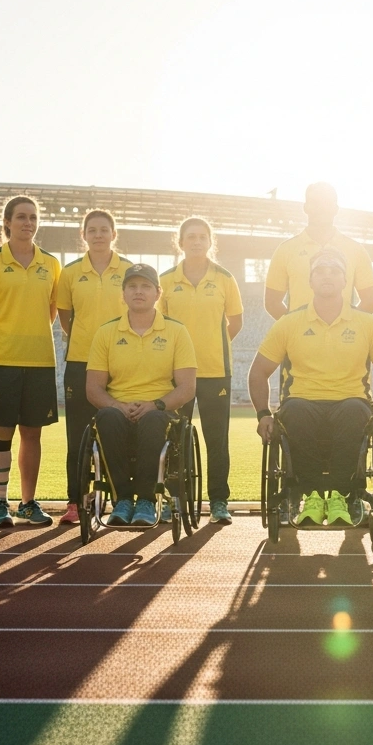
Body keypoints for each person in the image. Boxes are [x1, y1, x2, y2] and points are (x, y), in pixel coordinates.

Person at [249, 251, 373, 526]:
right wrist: (263, 413)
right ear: (310, 281)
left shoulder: (367, 323)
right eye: (321, 270)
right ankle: (310, 496)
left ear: (346, 280)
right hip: (301, 400)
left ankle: (342, 496)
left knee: (353, 411)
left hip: (351, 401)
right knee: (295, 411)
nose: (328, 275)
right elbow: (258, 371)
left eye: (335, 271)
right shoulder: (289, 323)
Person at [0, 195, 61, 527]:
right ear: (7, 222)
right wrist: (2, 339)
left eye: (33, 217)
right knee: (3, 431)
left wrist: (30, 335)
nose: (28, 223)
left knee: (33, 434)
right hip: (2, 361)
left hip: (40, 361)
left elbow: (51, 311)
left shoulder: (51, 264)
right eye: (21, 217)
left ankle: (27, 502)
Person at [86, 264, 198, 526]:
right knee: (107, 418)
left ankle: (147, 500)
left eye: (146, 286)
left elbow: (187, 387)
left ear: (158, 293)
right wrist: (118, 405)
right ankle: (122, 500)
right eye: (132, 286)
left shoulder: (177, 331)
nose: (139, 292)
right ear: (123, 294)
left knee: (153, 420)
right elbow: (93, 388)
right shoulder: (106, 332)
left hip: (160, 410)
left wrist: (155, 404)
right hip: (117, 408)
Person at [159, 217, 243, 525]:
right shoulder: (165, 281)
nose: (196, 241)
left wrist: (208, 347)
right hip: (177, 375)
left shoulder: (224, 278)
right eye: (190, 237)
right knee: (174, 439)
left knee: (216, 440)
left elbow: (235, 323)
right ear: (180, 242)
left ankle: (219, 501)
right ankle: (173, 499)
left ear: (210, 242)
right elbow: (161, 327)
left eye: (202, 237)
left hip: (215, 372)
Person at [56, 209, 131, 525]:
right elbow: (65, 317)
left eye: (104, 229)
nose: (98, 234)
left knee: (121, 430)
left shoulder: (129, 270)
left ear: (114, 234)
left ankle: (122, 499)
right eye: (92, 230)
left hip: (122, 362)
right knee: (78, 434)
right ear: (83, 235)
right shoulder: (70, 273)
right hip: (81, 363)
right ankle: (75, 501)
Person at [264, 182, 373, 319]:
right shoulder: (286, 250)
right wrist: (295, 328)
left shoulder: (356, 250)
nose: (322, 208)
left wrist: (347, 327)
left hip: (341, 340)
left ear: (336, 208)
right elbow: (272, 302)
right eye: (315, 202)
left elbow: (370, 301)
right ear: (305, 207)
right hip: (300, 340)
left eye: (328, 203)